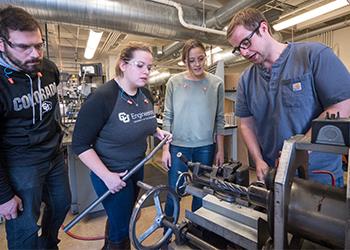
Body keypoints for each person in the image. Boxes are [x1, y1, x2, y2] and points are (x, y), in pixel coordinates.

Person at [226, 8, 350, 186]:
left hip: (319, 175)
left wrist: (297, 149)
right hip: (275, 174)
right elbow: (246, 124)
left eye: (246, 42)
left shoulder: (313, 56)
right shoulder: (246, 79)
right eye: (238, 49)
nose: (244, 53)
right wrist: (258, 160)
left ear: (263, 28)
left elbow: (343, 105)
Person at [72, 42, 172, 250]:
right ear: (123, 65)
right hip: (110, 171)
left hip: (137, 167)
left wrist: (158, 132)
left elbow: (146, 123)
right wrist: (107, 176)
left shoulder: (146, 95)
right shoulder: (102, 98)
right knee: (122, 227)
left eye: (149, 67)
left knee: (123, 218)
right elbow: (80, 145)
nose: (146, 71)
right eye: (140, 65)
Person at [0, 6, 71, 249]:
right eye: (24, 47)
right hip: (20, 162)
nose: (35, 54)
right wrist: (4, 196)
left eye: (39, 45)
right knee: (25, 226)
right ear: (2, 44)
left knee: (62, 205)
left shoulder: (49, 69)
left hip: (52, 155)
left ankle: (49, 245)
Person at [162, 39, 225, 216]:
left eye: (201, 58)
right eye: (192, 60)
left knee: (201, 191)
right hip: (178, 147)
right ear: (185, 61)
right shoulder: (174, 82)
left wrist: (220, 150)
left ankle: (197, 232)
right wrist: (166, 149)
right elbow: (168, 117)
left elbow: (220, 119)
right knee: (175, 191)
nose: (197, 64)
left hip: (205, 147)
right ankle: (167, 233)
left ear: (205, 58)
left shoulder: (216, 83)